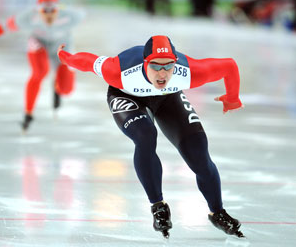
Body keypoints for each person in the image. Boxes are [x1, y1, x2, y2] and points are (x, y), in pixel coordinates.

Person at [57, 35, 244, 238]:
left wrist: (232, 98)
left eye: (168, 66)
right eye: (155, 66)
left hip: (167, 98)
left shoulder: (188, 72)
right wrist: (66, 57)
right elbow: (87, 62)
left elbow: (230, 66)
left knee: (197, 150)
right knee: (146, 135)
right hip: (126, 95)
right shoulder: (118, 71)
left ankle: (217, 212)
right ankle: (158, 206)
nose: (162, 73)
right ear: (145, 63)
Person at [0, 0, 85, 132]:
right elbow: (2, 28)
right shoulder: (27, 17)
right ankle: (28, 113)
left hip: (62, 47)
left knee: (67, 90)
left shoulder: (72, 16)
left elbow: (85, 13)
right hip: (39, 44)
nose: (48, 15)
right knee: (39, 73)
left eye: (52, 10)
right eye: (44, 11)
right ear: (37, 10)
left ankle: (57, 86)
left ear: (58, 9)